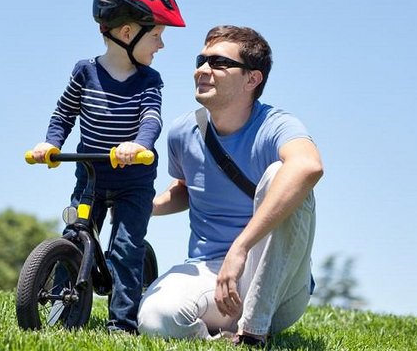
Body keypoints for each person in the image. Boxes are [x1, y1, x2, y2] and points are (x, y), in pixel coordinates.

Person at [138, 25, 323, 347]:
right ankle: (222, 341)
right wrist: (143, 206)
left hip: (277, 283)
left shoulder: (276, 125)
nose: (202, 70)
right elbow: (185, 187)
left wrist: (240, 248)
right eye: (201, 60)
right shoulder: (184, 130)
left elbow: (309, 166)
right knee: (156, 318)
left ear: (252, 79)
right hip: (210, 274)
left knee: (283, 172)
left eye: (218, 63)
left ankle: (255, 330)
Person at [30, 0, 185, 333]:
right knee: (74, 236)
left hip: (133, 179)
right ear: (127, 33)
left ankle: (122, 324)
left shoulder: (150, 80)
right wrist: (51, 144)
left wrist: (139, 145)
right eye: (157, 36)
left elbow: (151, 118)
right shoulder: (85, 72)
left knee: (126, 250)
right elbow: (64, 113)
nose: (161, 46)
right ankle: (63, 313)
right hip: (91, 175)